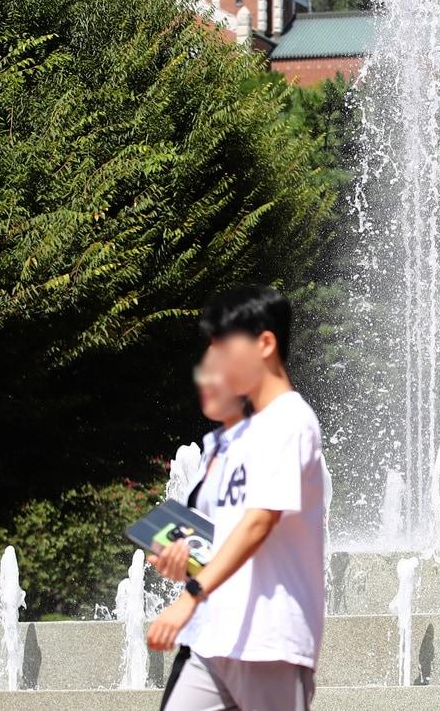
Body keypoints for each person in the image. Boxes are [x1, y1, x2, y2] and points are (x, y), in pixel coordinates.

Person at [147, 285, 326, 711]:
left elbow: (260, 522)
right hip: (214, 638)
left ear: (265, 344)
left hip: (270, 640)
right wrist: (183, 558)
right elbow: (224, 536)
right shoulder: (233, 439)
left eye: (225, 348)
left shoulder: (291, 420)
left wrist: (190, 595)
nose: (216, 362)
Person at [158, 345, 253, 710]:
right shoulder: (211, 452)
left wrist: (191, 594)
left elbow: (255, 534)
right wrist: (178, 559)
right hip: (206, 633)